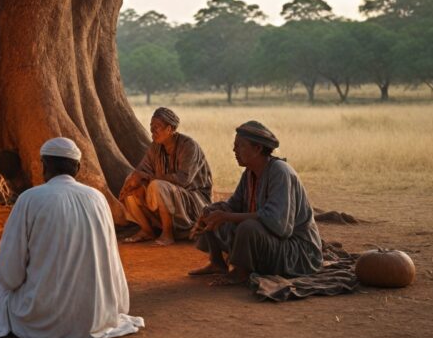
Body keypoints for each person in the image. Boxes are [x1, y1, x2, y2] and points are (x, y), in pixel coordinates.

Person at [0, 137, 144, 338]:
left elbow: (10, 276)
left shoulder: (30, 198)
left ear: (44, 166)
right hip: (95, 317)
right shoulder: (98, 198)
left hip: (42, 320)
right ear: (78, 167)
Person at [189, 120, 323, 284]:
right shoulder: (249, 173)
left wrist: (226, 216)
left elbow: (277, 223)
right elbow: (233, 206)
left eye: (240, 146)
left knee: (248, 226)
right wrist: (212, 213)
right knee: (212, 211)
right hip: (273, 241)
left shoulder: (280, 171)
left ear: (258, 148)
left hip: (297, 251)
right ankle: (217, 263)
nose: (234, 150)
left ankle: (241, 273)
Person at [119, 107, 212, 245]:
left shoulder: (189, 146)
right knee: (133, 183)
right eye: (151, 126)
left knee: (157, 185)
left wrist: (148, 178)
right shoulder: (155, 147)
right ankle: (147, 230)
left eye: (157, 127)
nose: (152, 131)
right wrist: (132, 181)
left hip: (194, 199)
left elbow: (183, 180)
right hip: (171, 194)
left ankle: (168, 234)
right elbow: (141, 171)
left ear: (169, 129)